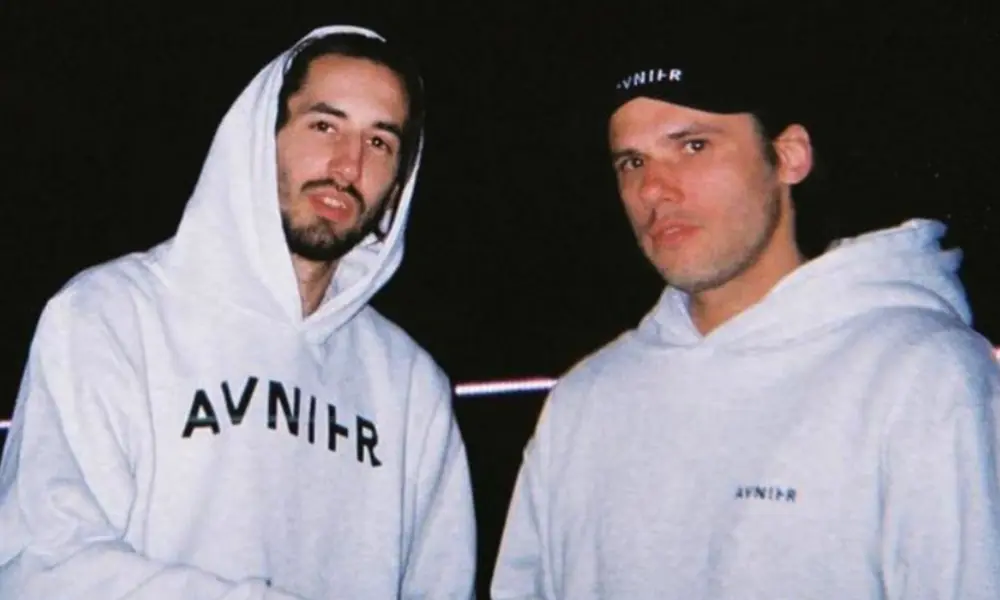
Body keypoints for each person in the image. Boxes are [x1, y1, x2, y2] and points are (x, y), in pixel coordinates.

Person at [490, 37, 1000, 599]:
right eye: (632, 161)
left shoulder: (923, 376)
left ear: (789, 157)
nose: (652, 189)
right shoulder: (584, 401)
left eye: (693, 146)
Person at [0, 25, 476, 599]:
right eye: (324, 126)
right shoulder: (111, 316)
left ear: (398, 184)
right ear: (259, 138)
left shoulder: (412, 388)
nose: (348, 166)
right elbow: (42, 567)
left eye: (379, 142)